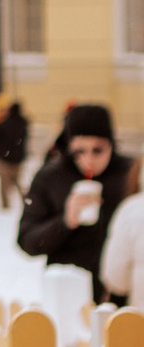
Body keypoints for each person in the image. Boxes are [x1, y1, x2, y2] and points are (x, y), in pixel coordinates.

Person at [18, 106, 136, 299]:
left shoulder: (130, 175)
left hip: (122, 294)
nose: (88, 159)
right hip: (67, 292)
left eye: (97, 150)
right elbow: (27, 241)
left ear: (111, 145)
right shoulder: (50, 177)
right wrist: (65, 221)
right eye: (79, 151)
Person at [0, 95, 30, 212]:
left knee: (4, 185)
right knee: (18, 182)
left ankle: (5, 206)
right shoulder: (24, 125)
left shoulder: (2, 125)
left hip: (4, 158)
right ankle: (26, 201)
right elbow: (24, 141)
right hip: (18, 159)